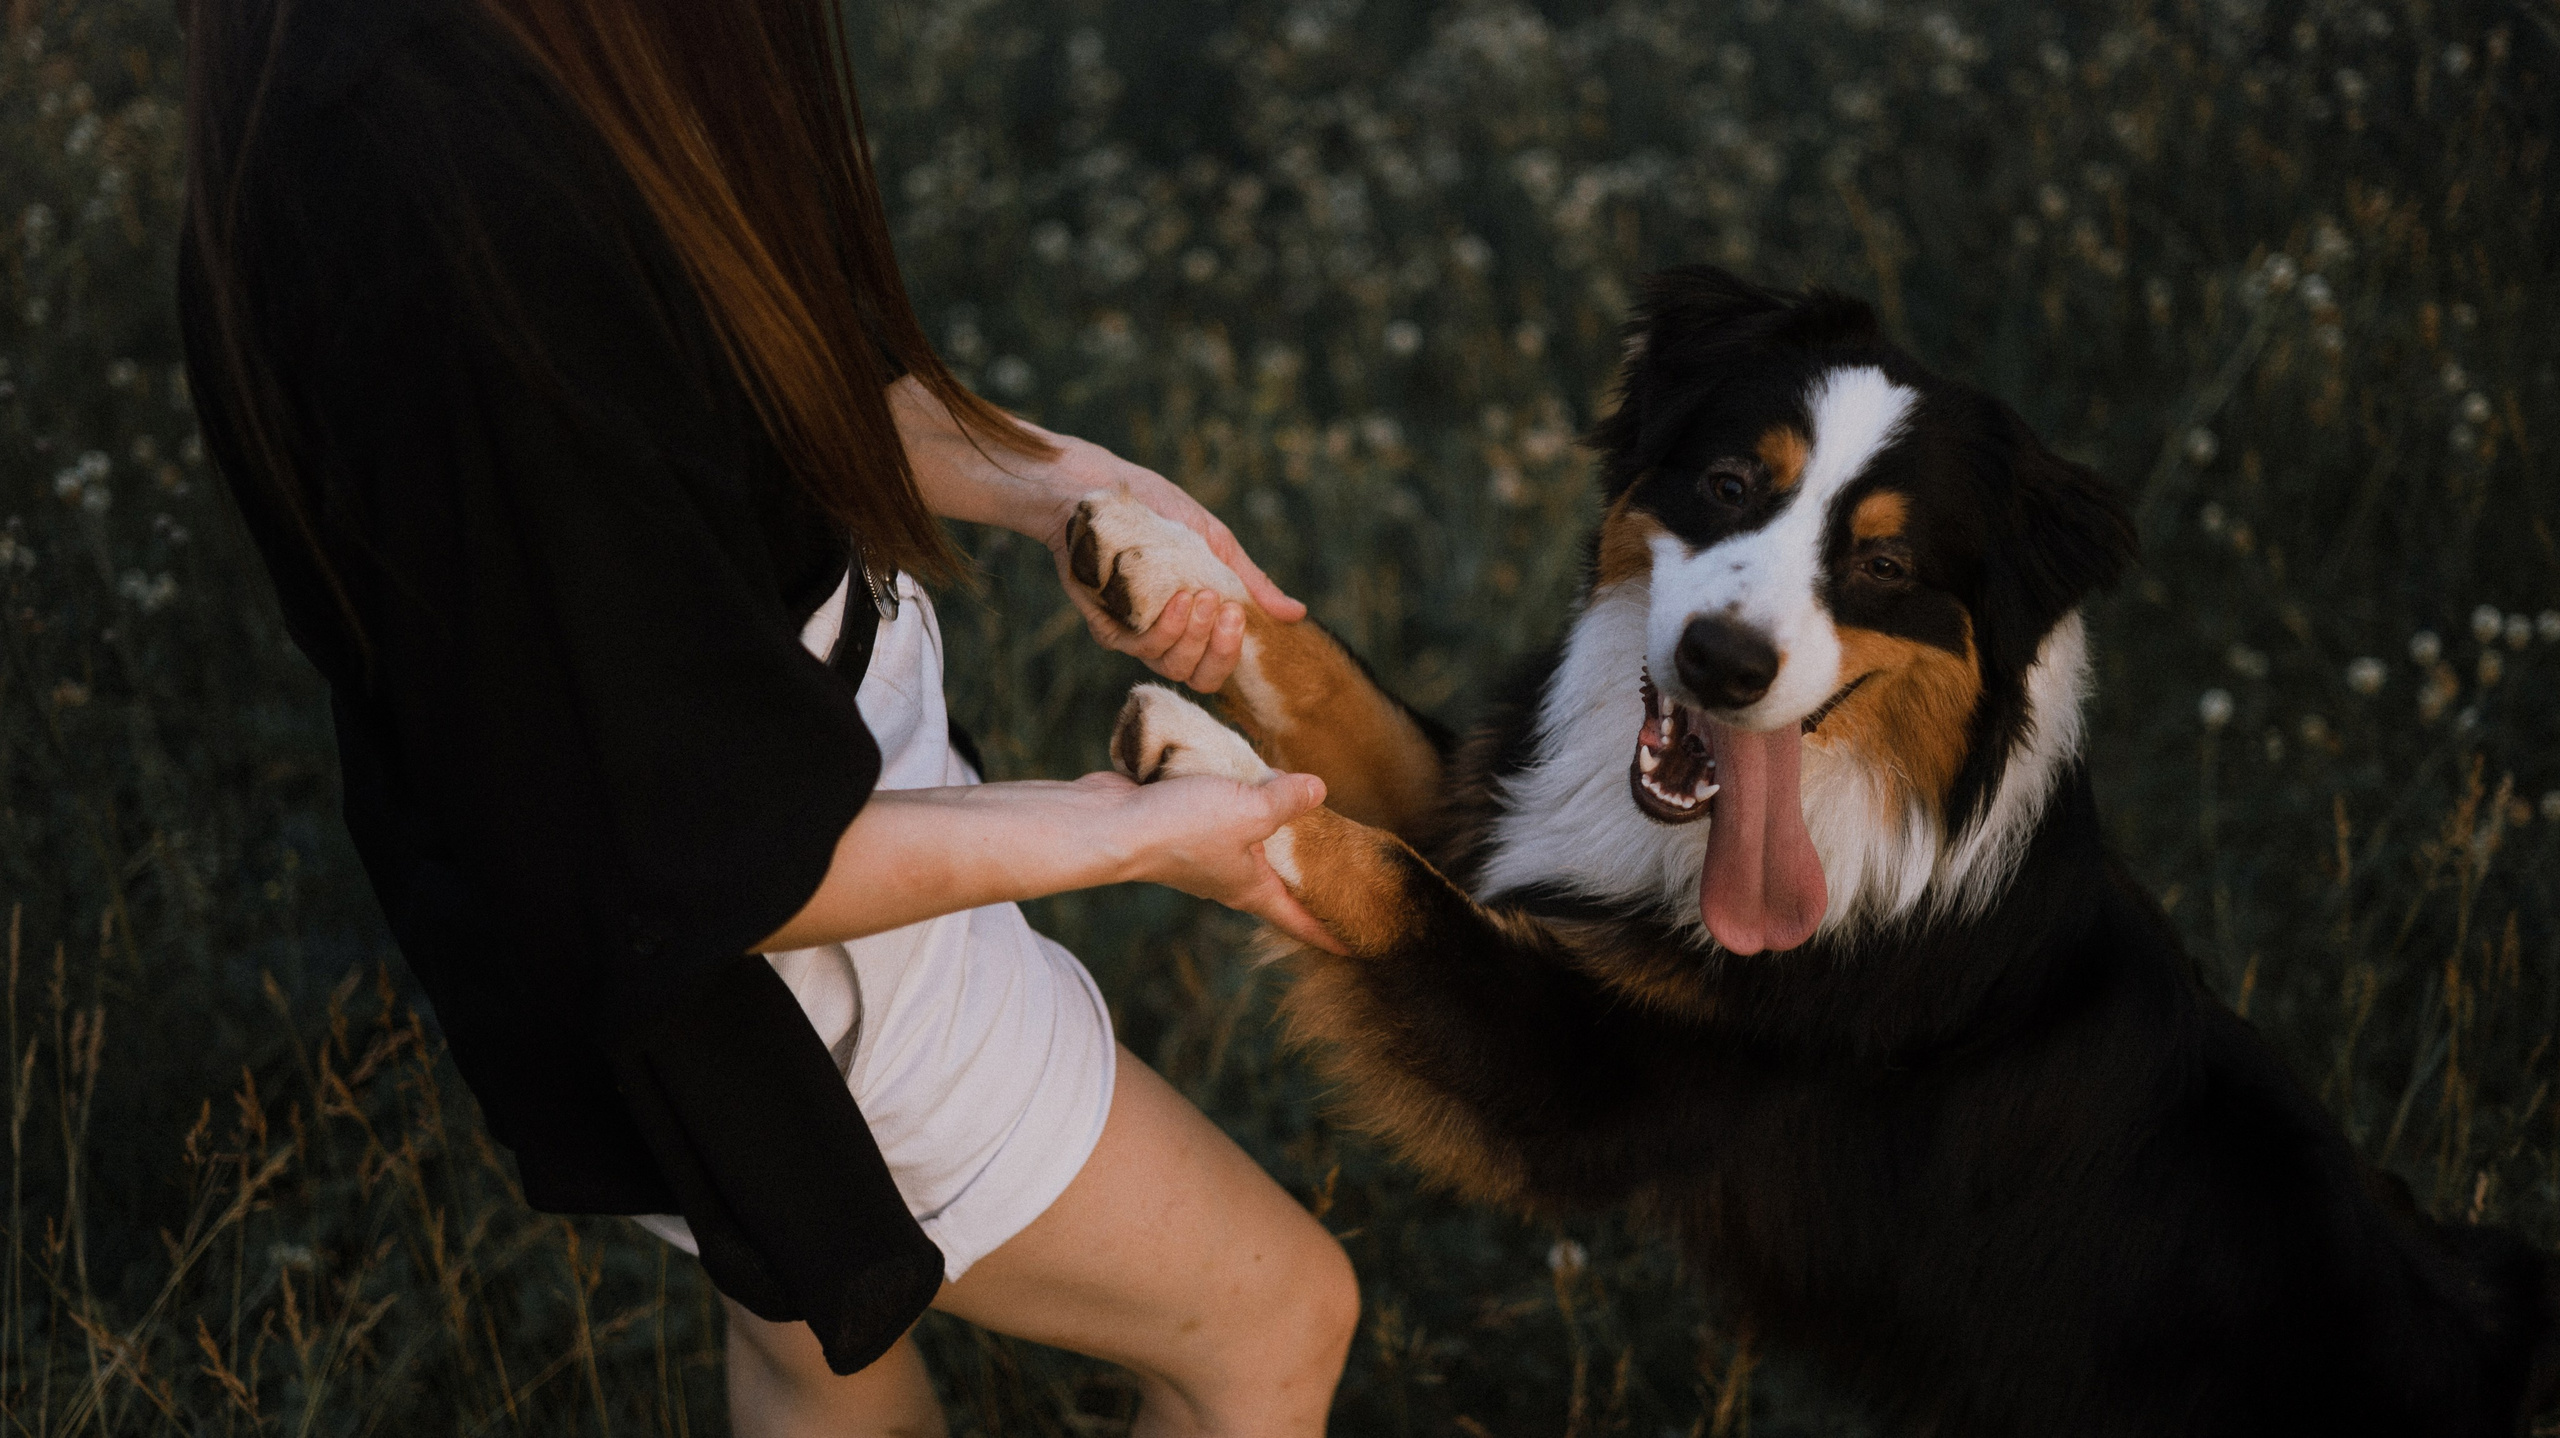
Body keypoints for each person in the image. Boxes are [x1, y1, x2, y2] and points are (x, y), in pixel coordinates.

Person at [177, 0, 1358, 1432]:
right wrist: (1136, 831)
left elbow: (748, 372)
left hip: (668, 879)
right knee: (1272, 1320)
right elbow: (705, 864)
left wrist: (1059, 491)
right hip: (792, 988)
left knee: (812, 1348)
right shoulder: (456, 192)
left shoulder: (535, 63)